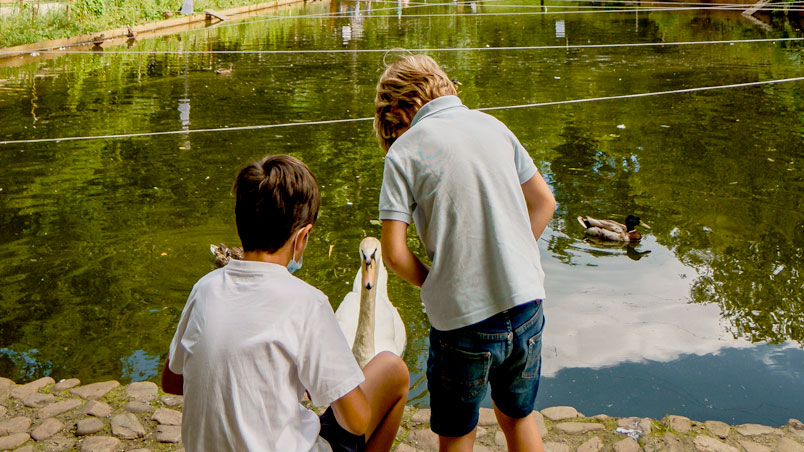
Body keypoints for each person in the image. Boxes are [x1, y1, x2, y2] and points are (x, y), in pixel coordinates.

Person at [161, 154, 409, 452]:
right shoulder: (308, 303)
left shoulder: (204, 289)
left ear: (240, 224)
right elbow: (356, 421)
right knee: (393, 370)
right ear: (302, 237)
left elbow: (172, 381)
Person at [374, 55, 556, 452]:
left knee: (458, 434)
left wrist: (439, 280)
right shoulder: (493, 125)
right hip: (526, 303)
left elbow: (393, 253)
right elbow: (544, 202)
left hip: (463, 322)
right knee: (518, 417)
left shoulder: (403, 152)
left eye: (394, 125)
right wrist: (518, 253)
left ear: (401, 108)